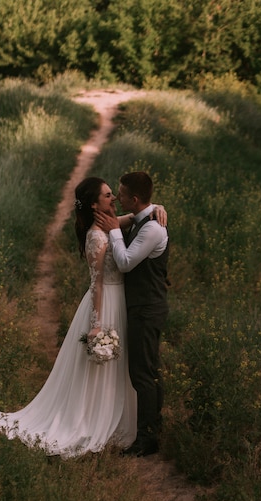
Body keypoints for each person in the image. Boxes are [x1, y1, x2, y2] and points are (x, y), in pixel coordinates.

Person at [0, 177, 141, 458]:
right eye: (109, 196)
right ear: (95, 204)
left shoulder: (109, 224)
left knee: (119, 366)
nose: (114, 199)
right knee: (100, 369)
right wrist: (96, 326)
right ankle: (94, 419)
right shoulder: (96, 236)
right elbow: (97, 284)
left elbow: (129, 218)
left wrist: (153, 209)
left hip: (119, 302)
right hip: (105, 304)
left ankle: (119, 419)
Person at [94, 171, 169, 457]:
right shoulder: (144, 218)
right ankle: (153, 430)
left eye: (121, 194)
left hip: (147, 309)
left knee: (142, 374)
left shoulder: (151, 229)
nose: (117, 198)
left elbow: (125, 263)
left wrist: (114, 230)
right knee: (149, 370)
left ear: (134, 199)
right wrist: (157, 206)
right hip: (144, 307)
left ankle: (147, 439)